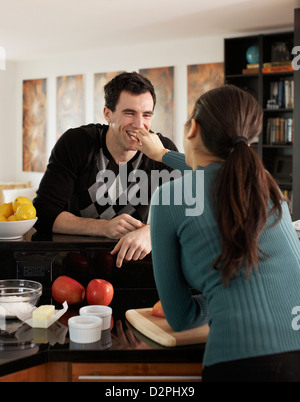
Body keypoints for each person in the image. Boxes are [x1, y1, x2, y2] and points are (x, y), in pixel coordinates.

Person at [134, 85, 300, 382]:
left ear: (193, 128)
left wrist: (222, 294)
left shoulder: (169, 198)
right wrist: (162, 154)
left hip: (240, 362)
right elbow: (216, 169)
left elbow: (181, 317)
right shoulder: (268, 189)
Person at [33, 72, 178, 267]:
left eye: (146, 115)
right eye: (129, 113)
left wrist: (151, 232)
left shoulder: (161, 150)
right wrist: (104, 227)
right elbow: (43, 214)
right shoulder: (76, 143)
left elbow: (186, 212)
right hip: (74, 262)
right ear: (108, 114)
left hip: (133, 265)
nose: (139, 124)